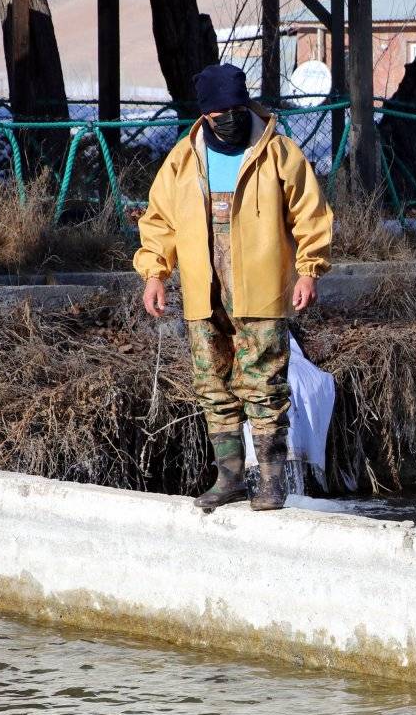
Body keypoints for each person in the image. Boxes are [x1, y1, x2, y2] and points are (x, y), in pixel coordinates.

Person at [134, 63, 333, 512]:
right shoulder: (183, 160)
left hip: (261, 288)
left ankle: (271, 480)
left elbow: (310, 213)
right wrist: (155, 273)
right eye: (217, 110)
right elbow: (159, 221)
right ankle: (229, 477)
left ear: (245, 104)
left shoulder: (279, 152)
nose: (227, 116)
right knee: (212, 383)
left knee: (264, 383)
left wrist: (308, 270)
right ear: (203, 114)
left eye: (234, 107)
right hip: (203, 291)